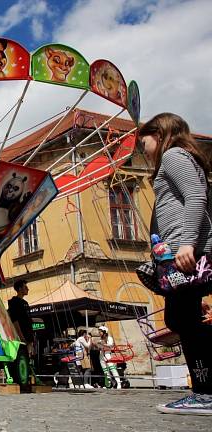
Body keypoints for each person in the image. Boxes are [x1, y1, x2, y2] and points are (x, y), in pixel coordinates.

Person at [140, 113, 212, 415]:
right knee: (181, 319)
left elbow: (196, 196)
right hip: (178, 253)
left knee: (185, 320)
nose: (141, 147)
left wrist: (187, 243)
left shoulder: (173, 155)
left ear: (159, 133)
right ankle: (204, 390)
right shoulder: (176, 159)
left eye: (143, 140)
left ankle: (205, 392)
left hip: (188, 252)